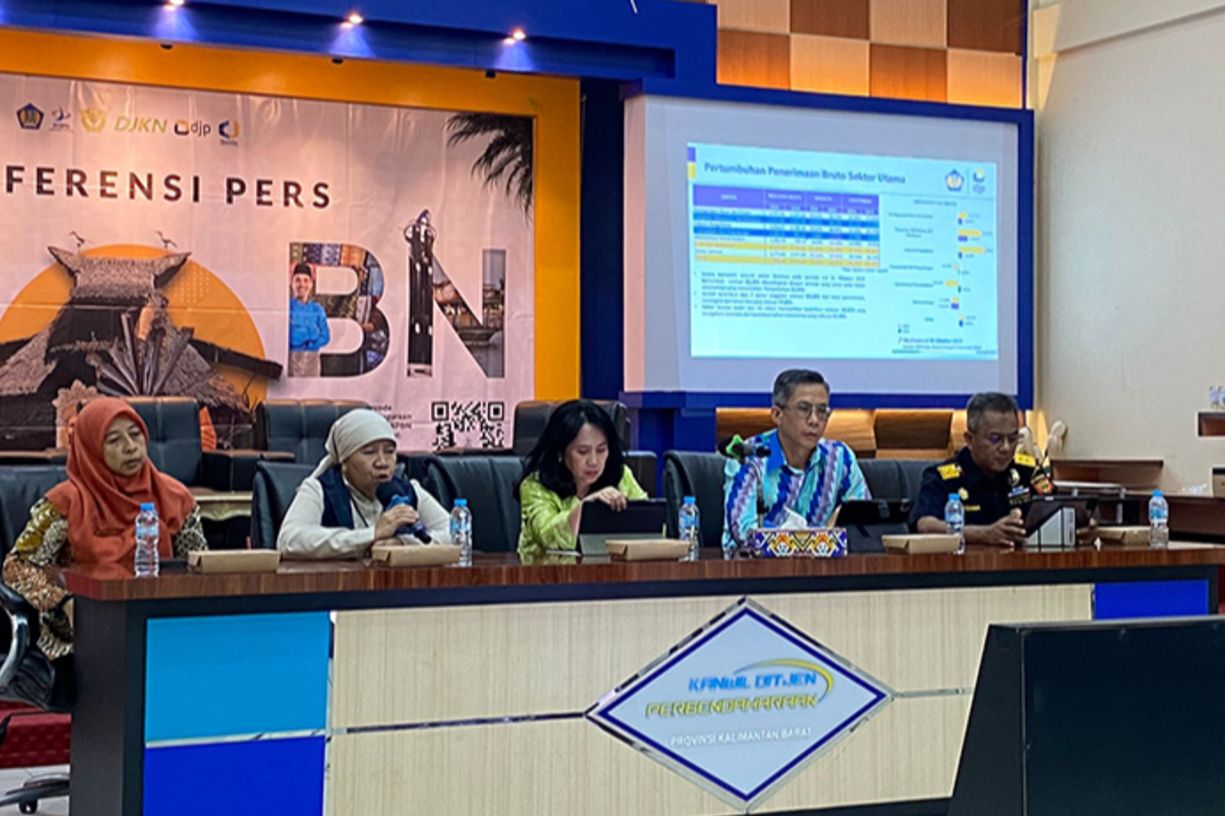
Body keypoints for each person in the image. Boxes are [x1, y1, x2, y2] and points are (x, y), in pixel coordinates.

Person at [3, 397, 207, 706]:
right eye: (114, 440)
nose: (130, 447)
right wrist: (63, 602)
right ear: (92, 449)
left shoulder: (175, 497)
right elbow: (17, 566)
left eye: (135, 435)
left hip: (159, 625)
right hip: (84, 633)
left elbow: (198, 566)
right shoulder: (66, 503)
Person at [723, 369, 869, 552]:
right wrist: (821, 538)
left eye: (822, 411)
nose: (814, 420)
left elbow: (865, 525)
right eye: (804, 409)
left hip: (823, 567)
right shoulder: (749, 458)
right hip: (755, 566)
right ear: (778, 415)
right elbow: (745, 533)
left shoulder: (840, 458)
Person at [277, 409, 450, 558]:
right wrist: (372, 534)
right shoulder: (318, 489)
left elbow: (456, 534)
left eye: (389, 452)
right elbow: (289, 541)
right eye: (369, 452)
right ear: (344, 462)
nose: (382, 462)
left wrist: (403, 543)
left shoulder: (407, 490)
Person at [910, 392, 1054, 547]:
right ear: (969, 439)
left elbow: (1057, 505)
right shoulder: (943, 477)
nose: (1006, 448)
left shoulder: (1028, 471)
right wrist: (983, 534)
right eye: (995, 439)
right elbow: (925, 525)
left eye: (1012, 439)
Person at [516, 400, 647, 563]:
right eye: (583, 451)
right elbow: (549, 538)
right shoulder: (535, 486)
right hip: (545, 574)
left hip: (609, 572)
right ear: (560, 452)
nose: (593, 461)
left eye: (601, 450)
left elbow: (649, 529)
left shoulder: (621, 477)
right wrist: (586, 507)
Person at [288, 262, 330, 377]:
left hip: (313, 360)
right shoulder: (287, 307)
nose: (302, 284)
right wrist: (311, 334)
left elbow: (325, 336)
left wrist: (309, 345)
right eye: (298, 280)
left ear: (311, 284)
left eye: (306, 280)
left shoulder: (317, 309)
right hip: (292, 360)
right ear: (291, 283)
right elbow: (290, 336)